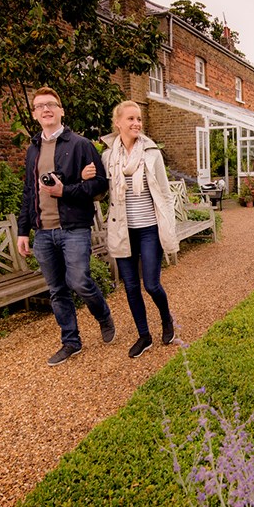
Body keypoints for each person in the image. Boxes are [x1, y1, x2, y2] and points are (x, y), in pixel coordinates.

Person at [16, 87, 116, 367]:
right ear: (34, 114)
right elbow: (29, 192)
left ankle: (103, 315)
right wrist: (23, 231)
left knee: (80, 281)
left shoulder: (81, 144)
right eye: (40, 106)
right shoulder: (33, 150)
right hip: (43, 232)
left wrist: (66, 191)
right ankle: (71, 341)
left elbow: (100, 185)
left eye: (51, 104)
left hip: (74, 228)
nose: (46, 109)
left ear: (61, 110)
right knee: (57, 290)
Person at [83, 100, 178, 358]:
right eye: (131, 119)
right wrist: (87, 178)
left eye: (139, 119)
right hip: (122, 231)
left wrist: (168, 226)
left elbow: (165, 195)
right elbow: (100, 193)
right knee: (131, 287)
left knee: (152, 284)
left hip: (149, 229)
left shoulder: (152, 153)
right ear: (118, 123)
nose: (136, 123)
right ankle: (144, 336)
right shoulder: (107, 157)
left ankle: (166, 319)